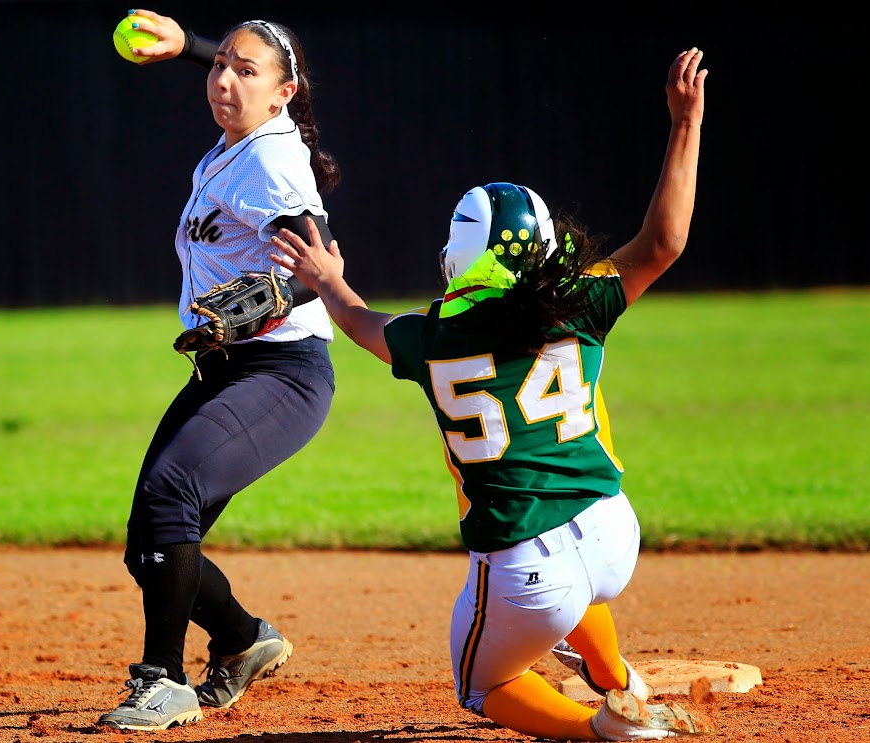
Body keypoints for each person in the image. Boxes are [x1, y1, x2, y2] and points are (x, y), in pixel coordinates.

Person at [269, 48, 712, 741]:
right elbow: (665, 239)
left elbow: (359, 323)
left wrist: (328, 278)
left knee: (483, 684)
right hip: (613, 532)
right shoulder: (580, 300)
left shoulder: (431, 335)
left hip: (524, 569)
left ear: (457, 256)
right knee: (575, 580)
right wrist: (685, 123)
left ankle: (610, 727)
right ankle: (618, 677)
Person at [98, 9, 340, 732]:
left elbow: (325, 266)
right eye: (218, 67)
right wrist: (187, 47)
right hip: (227, 368)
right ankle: (241, 638)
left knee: (170, 493)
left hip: (282, 369)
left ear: (284, 94)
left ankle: (163, 680)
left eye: (245, 71)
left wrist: (270, 299)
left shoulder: (268, 157)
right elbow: (241, 62)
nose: (225, 79)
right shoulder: (237, 145)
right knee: (151, 542)